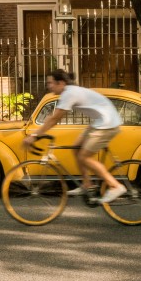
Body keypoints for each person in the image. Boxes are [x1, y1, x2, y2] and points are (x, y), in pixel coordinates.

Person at [22, 69, 126, 203]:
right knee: (76, 148)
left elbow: (55, 119)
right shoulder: (69, 92)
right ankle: (87, 184)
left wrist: (34, 136)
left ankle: (115, 186)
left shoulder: (69, 94)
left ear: (61, 83)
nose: (48, 86)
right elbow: (53, 117)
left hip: (107, 123)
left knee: (84, 156)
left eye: (50, 83)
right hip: (101, 121)